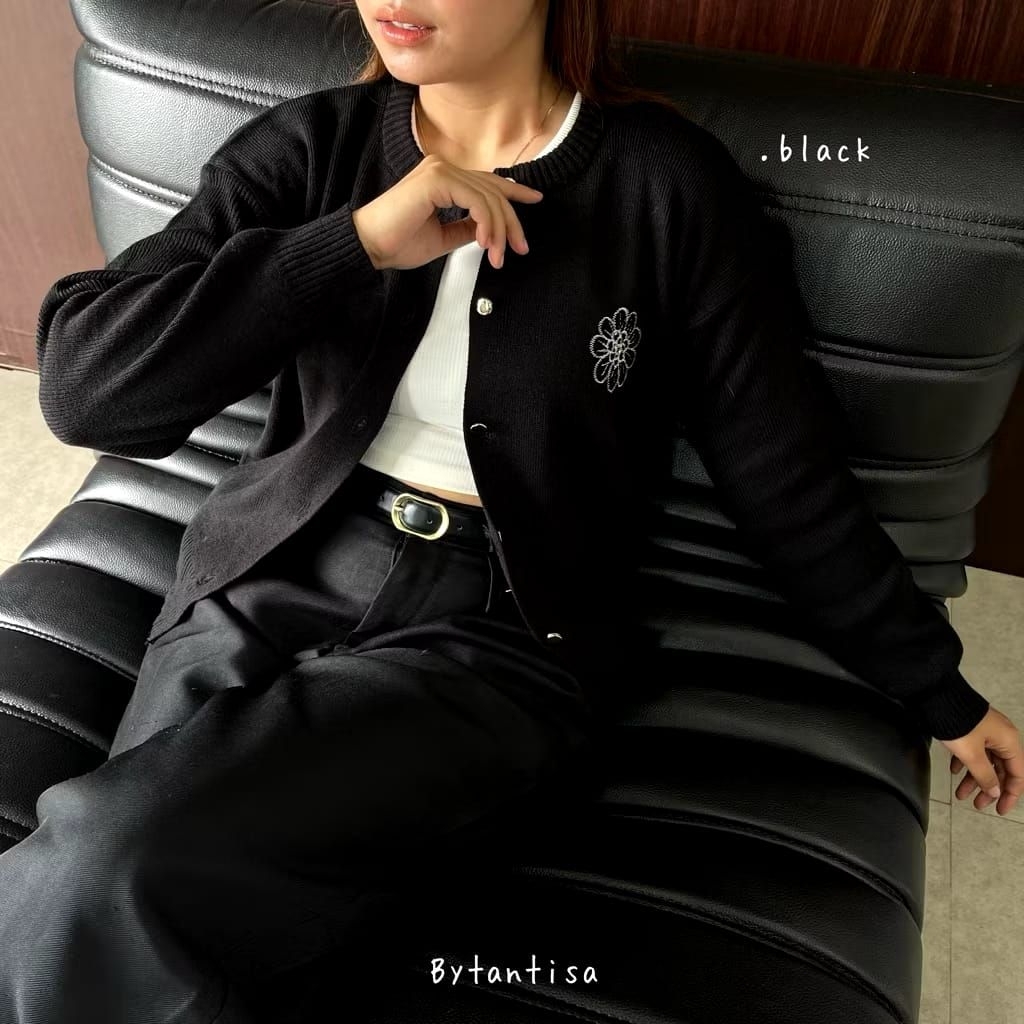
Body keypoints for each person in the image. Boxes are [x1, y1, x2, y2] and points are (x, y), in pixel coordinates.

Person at [6, 1, 1023, 1022]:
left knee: (108, 863)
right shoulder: (313, 147)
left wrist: (935, 689)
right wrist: (354, 243)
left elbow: (783, 478)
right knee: (123, 904)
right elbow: (90, 392)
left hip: (495, 634)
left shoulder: (665, 186)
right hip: (264, 569)